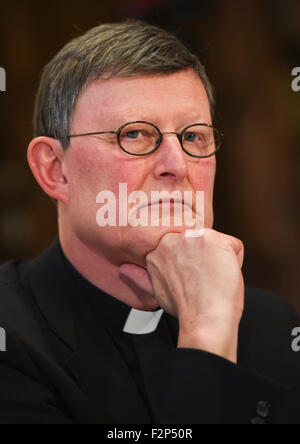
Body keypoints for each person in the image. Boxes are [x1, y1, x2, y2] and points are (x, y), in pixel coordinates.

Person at [0, 20, 299, 425]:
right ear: (55, 170)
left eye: (194, 137)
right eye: (136, 134)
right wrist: (206, 336)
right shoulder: (12, 340)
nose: (178, 165)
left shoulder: (276, 327)